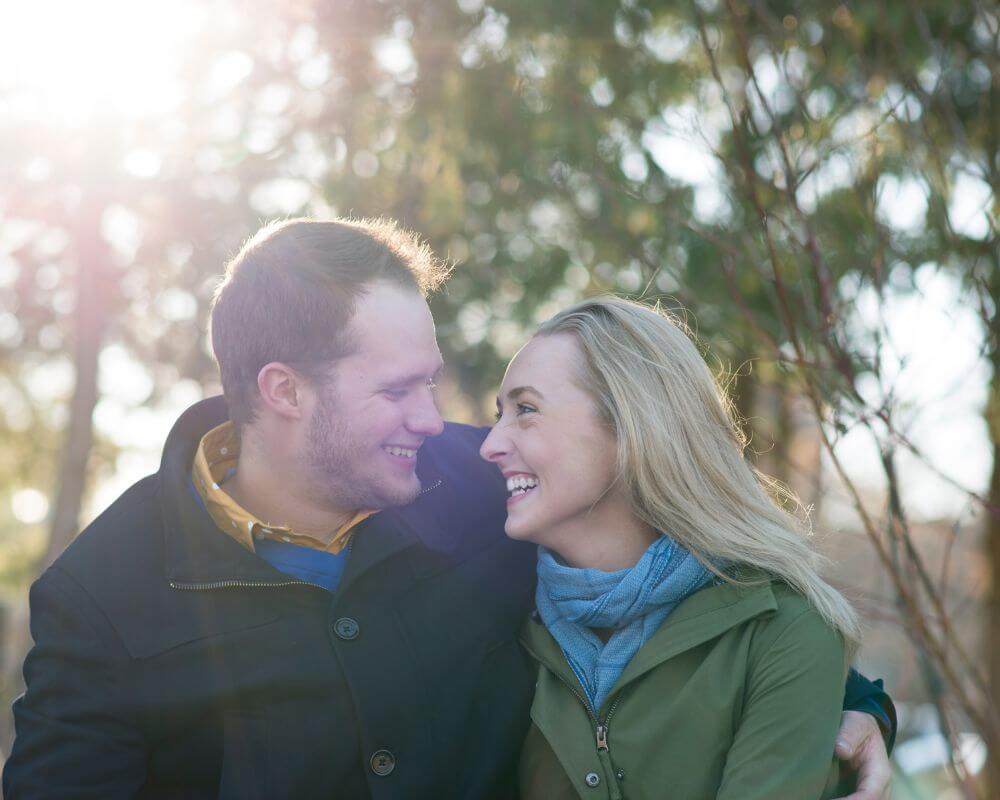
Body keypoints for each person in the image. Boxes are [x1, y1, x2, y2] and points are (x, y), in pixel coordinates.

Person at [4, 219, 893, 799]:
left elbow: (696, 585)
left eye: (430, 381)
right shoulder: (105, 591)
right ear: (284, 390)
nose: (436, 421)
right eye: (397, 391)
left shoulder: (484, 489)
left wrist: (855, 711)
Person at [480, 296, 885, 800]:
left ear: (631, 425)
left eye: (526, 410)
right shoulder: (497, 617)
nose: (489, 444)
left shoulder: (782, 632)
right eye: (500, 414)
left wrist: (869, 713)